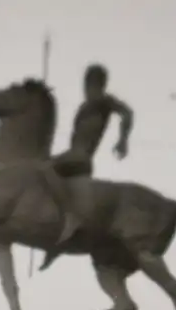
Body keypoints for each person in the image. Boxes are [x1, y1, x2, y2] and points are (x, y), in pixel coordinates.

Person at [40, 63, 134, 270]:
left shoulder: (102, 100)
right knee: (42, 170)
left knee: (43, 168)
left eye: (89, 83)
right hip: (73, 154)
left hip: (79, 158)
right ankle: (55, 227)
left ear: (95, 83)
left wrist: (123, 140)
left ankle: (72, 218)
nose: (86, 88)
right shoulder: (86, 105)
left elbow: (127, 113)